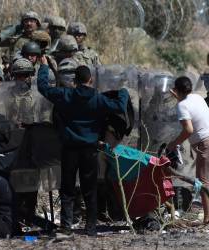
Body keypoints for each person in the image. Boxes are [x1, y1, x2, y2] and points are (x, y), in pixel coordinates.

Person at [36, 56, 129, 238]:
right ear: (91, 80)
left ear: (74, 81)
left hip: (69, 149)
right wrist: (123, 91)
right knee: (89, 188)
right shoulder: (98, 99)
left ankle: (65, 227)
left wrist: (43, 67)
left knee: (68, 188)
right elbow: (119, 106)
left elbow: (43, 88)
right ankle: (91, 227)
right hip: (89, 150)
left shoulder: (65, 95)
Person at [167, 76, 209, 223]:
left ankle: (207, 220)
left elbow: (188, 130)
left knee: (204, 184)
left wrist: (173, 144)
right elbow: (189, 105)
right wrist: (179, 98)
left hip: (207, 147)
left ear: (176, 90)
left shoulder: (182, 105)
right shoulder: (197, 98)